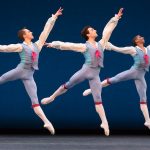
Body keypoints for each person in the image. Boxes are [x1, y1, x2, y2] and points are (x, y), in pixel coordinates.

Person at [41, 8, 123, 136]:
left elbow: (108, 30)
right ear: (88, 34)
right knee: (68, 84)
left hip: (95, 74)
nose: (95, 30)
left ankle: (105, 122)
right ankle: (52, 97)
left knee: (98, 98)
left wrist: (115, 18)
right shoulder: (84, 46)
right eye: (92, 30)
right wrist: (54, 44)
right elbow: (68, 45)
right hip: (85, 71)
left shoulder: (102, 43)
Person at [0, 7, 63, 134]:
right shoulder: (20, 46)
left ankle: (47, 122)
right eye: (29, 31)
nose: (31, 32)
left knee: (35, 101)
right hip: (20, 70)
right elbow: (4, 48)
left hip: (29, 75)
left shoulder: (37, 45)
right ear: (24, 35)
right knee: (1, 79)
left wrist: (54, 17)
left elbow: (46, 31)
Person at [83, 35, 150, 129]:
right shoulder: (133, 49)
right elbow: (120, 49)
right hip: (133, 72)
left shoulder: (148, 49)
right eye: (139, 37)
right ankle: (91, 90)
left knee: (143, 98)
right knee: (114, 79)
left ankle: (148, 121)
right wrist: (111, 46)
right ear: (136, 41)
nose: (142, 37)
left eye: (142, 36)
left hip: (141, 75)